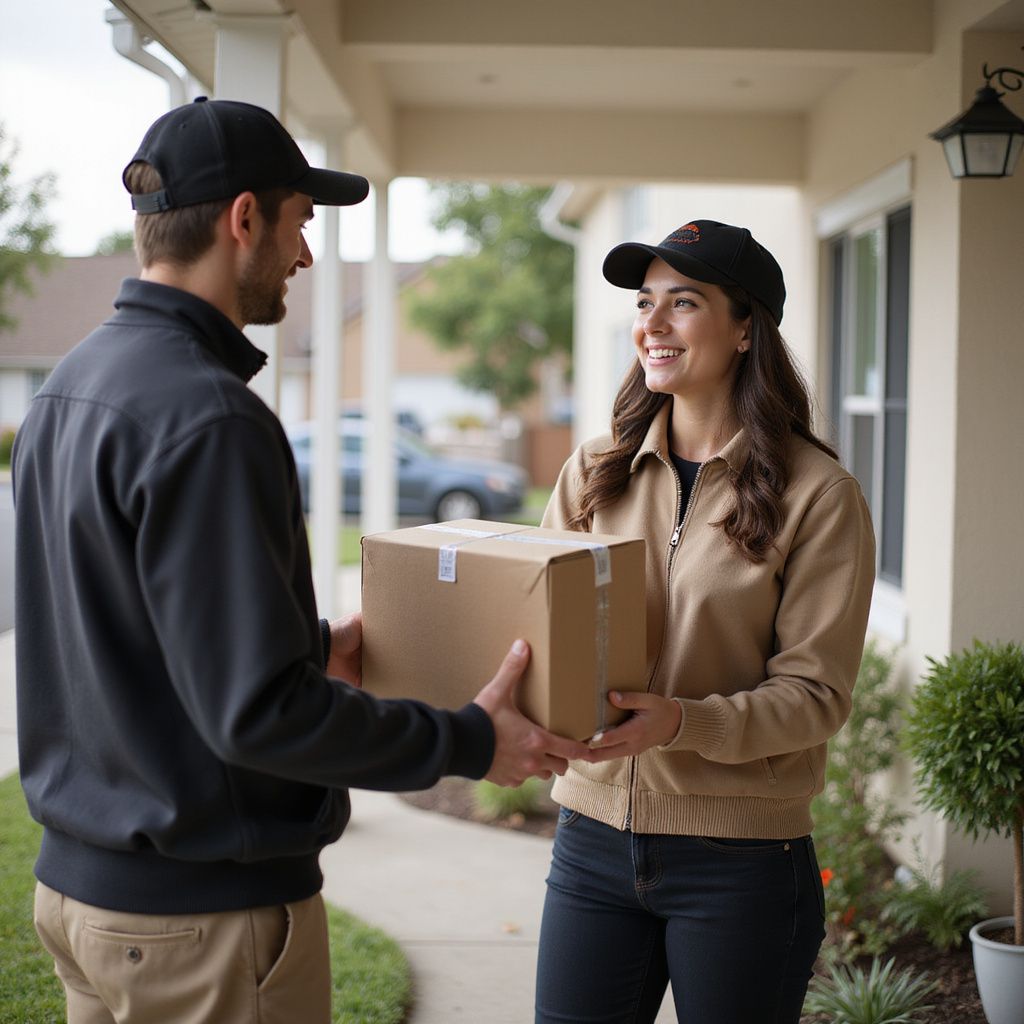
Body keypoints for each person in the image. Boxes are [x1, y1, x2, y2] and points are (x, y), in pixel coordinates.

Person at [12, 97, 588, 1024]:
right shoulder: (210, 417)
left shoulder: (68, 390)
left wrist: (307, 646)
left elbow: (124, 633)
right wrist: (472, 741)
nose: (307, 256)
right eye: (301, 223)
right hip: (199, 932)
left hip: (84, 907)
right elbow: (257, 718)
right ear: (244, 218)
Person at [534, 220, 876, 1024]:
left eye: (682, 303)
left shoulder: (817, 495)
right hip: (591, 839)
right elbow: (538, 625)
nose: (650, 324)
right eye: (645, 301)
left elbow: (817, 695)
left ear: (747, 325)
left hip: (741, 862)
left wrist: (682, 723)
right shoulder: (595, 471)